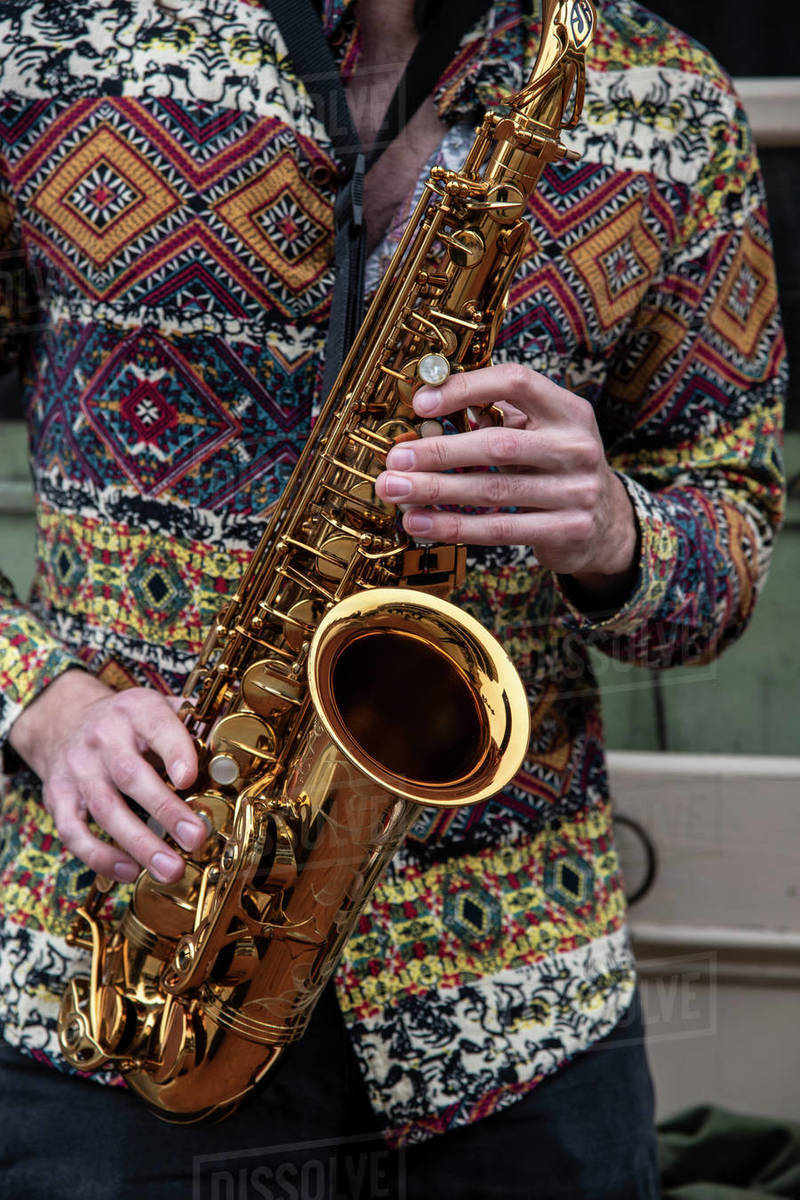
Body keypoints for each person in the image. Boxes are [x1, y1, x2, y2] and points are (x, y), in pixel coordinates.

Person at [0, 0, 785, 1196]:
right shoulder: (54, 45)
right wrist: (44, 705)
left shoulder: (662, 97)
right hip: (122, 973)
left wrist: (617, 530)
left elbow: (723, 533)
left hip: (517, 1019)